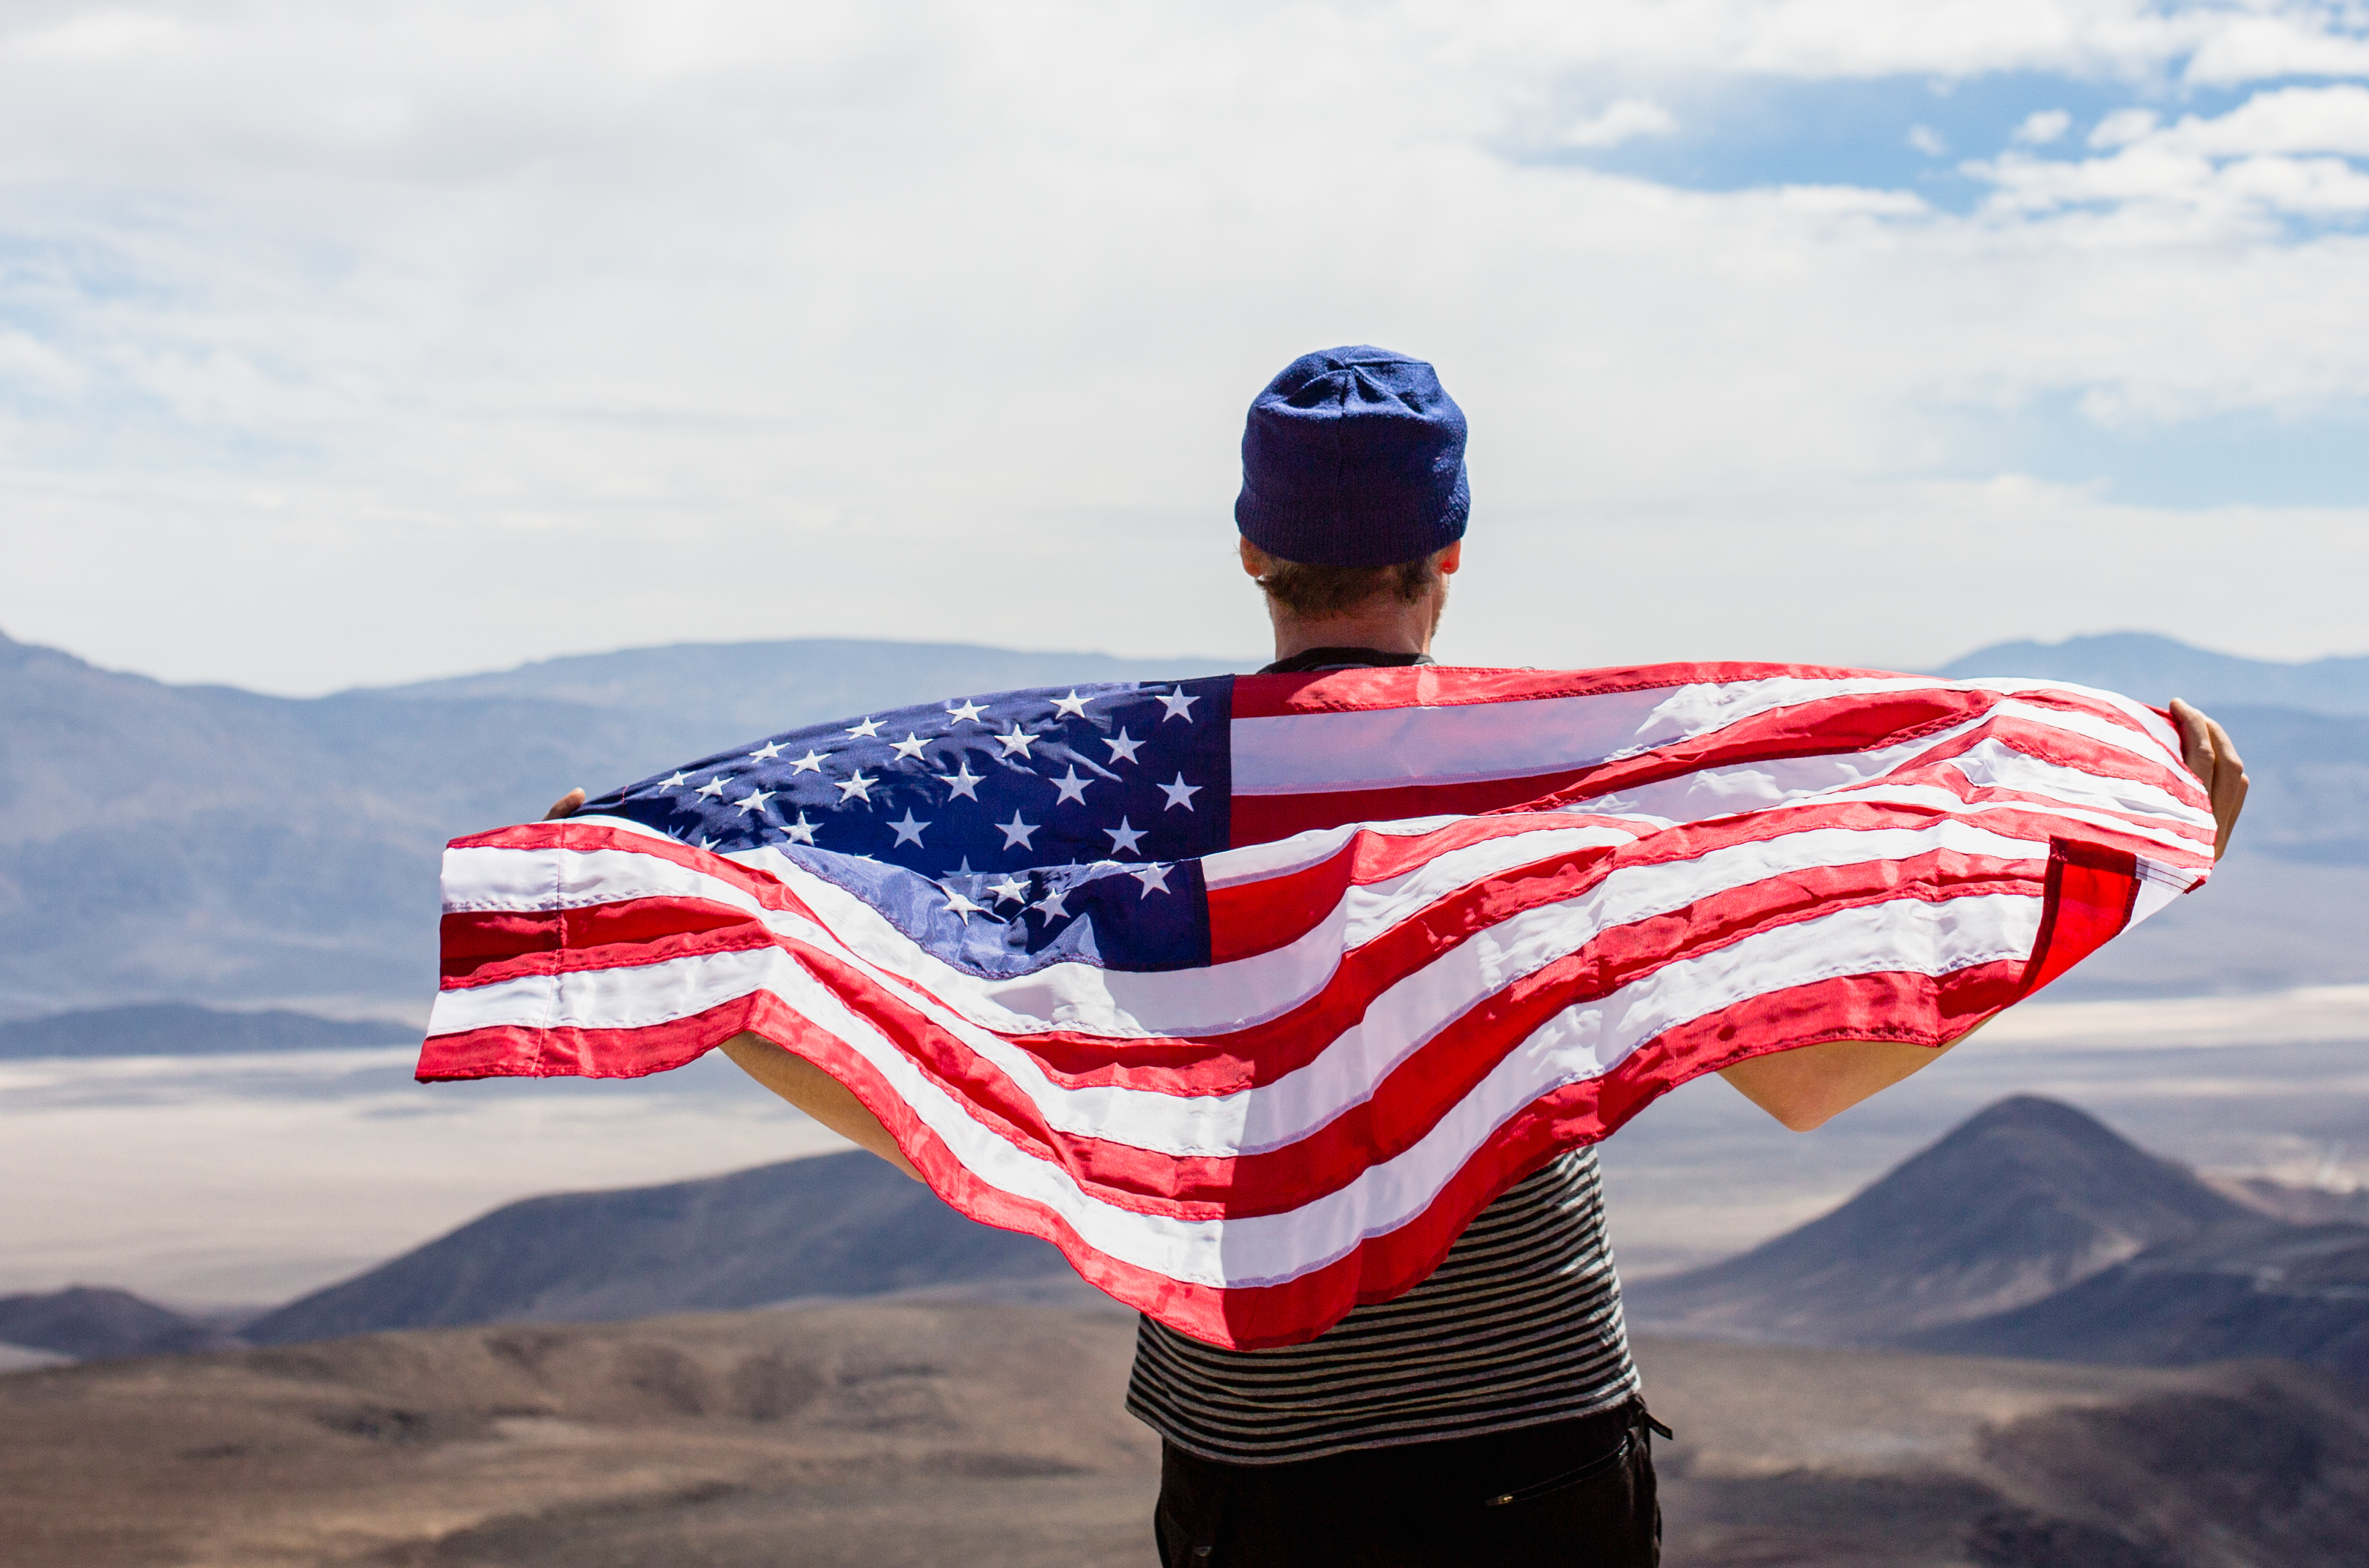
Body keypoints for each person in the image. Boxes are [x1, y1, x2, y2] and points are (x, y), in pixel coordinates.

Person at [553, 346, 2250, 1567]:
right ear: (1446, 558)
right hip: (1530, 1467)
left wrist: (691, 958)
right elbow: (1809, 1080)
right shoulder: (1560, 806)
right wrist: (2124, 870)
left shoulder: (1135, 820)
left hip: (1245, 1484)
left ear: (1248, 551)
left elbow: (936, 1099)